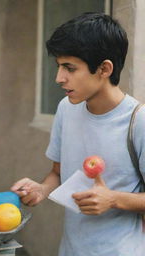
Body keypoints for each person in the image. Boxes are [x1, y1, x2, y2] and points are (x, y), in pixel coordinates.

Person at [11, 12, 145, 256]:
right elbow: (58, 173)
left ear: (104, 68)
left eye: (69, 68)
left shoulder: (139, 121)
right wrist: (41, 189)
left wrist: (112, 199)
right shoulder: (66, 108)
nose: (58, 78)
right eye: (59, 66)